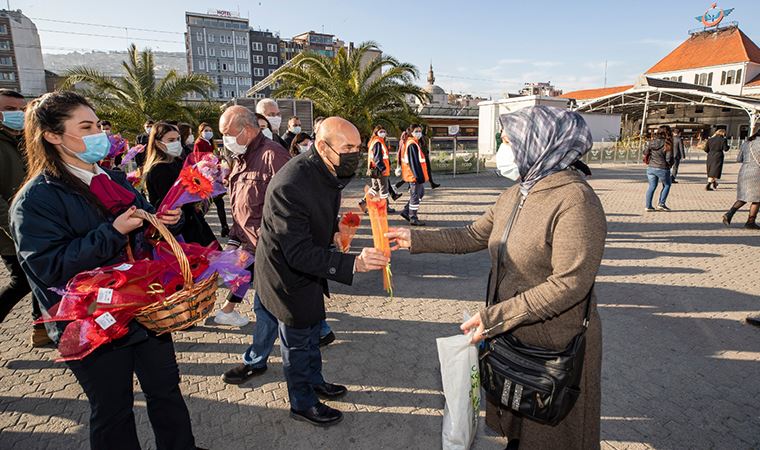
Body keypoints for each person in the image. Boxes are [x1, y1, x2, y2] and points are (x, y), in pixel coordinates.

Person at [386, 106, 605, 450]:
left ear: (540, 143)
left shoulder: (576, 200)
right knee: (518, 424)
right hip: (513, 334)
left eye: (508, 142)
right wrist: (414, 239)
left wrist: (493, 319)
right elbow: (471, 235)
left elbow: (570, 284)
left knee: (548, 435)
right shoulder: (518, 192)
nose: (503, 150)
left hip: (552, 344)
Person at [10, 91, 197, 449]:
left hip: (142, 308)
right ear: (52, 135)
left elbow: (145, 222)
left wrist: (165, 220)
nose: (99, 133)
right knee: (113, 410)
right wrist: (112, 233)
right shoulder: (36, 199)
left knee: (166, 391)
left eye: (97, 124)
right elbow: (47, 267)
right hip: (91, 321)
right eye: (86, 126)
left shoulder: (113, 178)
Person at [255, 116, 389, 427]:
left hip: (310, 271)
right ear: (322, 146)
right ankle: (302, 402)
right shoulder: (291, 184)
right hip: (286, 275)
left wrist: (344, 225)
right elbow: (298, 251)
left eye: (358, 146)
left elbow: (322, 218)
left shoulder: (328, 170)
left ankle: (316, 382)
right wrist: (353, 263)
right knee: (299, 340)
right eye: (348, 147)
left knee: (313, 329)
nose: (355, 153)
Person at [0, 89, 50, 346]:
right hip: (11, 231)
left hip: (38, 223)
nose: (18, 115)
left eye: (21, 109)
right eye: (10, 109)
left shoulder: (28, 140)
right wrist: (13, 226)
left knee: (40, 275)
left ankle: (40, 329)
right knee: (21, 281)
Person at [142, 122, 218, 247]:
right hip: (181, 231)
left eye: (178, 139)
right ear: (157, 142)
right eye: (171, 140)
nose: (176, 143)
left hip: (191, 223)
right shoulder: (160, 169)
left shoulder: (176, 161)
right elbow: (170, 202)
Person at [193, 122, 230, 238]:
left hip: (213, 176)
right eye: (206, 130)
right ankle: (198, 225)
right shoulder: (199, 143)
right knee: (208, 203)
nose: (208, 132)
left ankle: (224, 227)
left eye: (209, 130)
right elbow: (199, 161)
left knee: (218, 202)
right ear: (200, 132)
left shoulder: (209, 142)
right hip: (206, 177)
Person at [722, 126, 760, 230]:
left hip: (744, 172)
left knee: (744, 196)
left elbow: (739, 158)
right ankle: (750, 222)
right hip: (757, 173)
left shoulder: (747, 142)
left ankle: (729, 214)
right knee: (757, 199)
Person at [359, 125, 396, 213]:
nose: (383, 133)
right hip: (380, 169)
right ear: (376, 132)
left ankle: (363, 202)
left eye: (384, 131)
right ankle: (384, 207)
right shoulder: (378, 142)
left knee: (375, 187)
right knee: (384, 189)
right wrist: (383, 168)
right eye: (381, 131)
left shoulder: (374, 141)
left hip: (374, 169)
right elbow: (377, 158)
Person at [400, 124, 429, 226]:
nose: (419, 133)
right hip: (414, 176)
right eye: (416, 131)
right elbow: (414, 163)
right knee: (415, 195)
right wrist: (418, 176)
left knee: (419, 194)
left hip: (414, 175)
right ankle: (412, 217)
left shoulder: (413, 143)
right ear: (411, 132)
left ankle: (407, 211)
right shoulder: (412, 144)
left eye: (420, 131)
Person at [643, 125, 674, 212]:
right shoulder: (667, 143)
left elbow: (645, 152)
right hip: (663, 168)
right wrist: (671, 164)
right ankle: (661, 204)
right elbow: (668, 159)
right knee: (667, 185)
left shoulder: (651, 142)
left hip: (651, 168)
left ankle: (648, 206)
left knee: (652, 186)